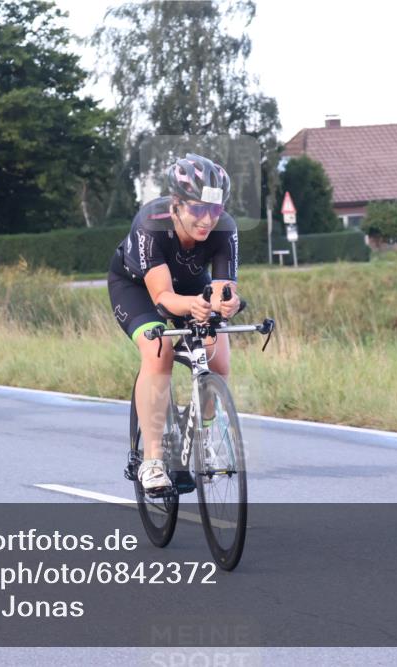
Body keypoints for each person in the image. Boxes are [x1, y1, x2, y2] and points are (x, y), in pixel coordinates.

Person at [107, 153, 241, 492]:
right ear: (177, 205)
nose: (207, 219)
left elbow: (223, 290)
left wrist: (226, 304)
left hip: (192, 283)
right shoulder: (151, 222)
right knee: (159, 348)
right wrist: (195, 305)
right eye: (198, 209)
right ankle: (152, 460)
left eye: (215, 209)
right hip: (138, 288)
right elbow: (163, 297)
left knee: (217, 353)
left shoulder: (224, 227)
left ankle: (207, 433)